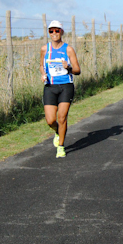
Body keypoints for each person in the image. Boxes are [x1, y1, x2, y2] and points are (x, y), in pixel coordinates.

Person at [40, 20, 81, 158]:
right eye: (51, 31)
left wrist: (68, 67)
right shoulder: (45, 49)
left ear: (61, 32)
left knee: (62, 117)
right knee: (50, 120)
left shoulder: (68, 49)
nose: (54, 33)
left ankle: (61, 147)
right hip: (50, 86)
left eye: (57, 30)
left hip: (65, 86)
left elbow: (77, 70)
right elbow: (41, 65)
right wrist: (43, 74)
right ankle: (58, 131)